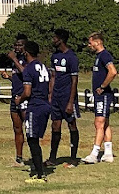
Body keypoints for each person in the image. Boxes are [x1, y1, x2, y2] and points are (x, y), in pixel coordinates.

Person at [12, 40, 51, 184]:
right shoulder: (43, 66)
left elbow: (27, 92)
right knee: (35, 139)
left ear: (26, 52)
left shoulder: (29, 69)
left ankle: (40, 175)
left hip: (35, 106)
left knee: (32, 140)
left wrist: (19, 100)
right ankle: (38, 169)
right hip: (46, 105)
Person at [82, 32, 118, 164]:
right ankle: (108, 153)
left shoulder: (104, 55)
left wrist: (102, 86)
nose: (89, 45)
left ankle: (94, 153)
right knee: (105, 123)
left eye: (90, 42)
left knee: (99, 123)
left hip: (103, 96)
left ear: (97, 42)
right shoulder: (98, 56)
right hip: (99, 96)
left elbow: (113, 71)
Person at [46, 29, 80, 168]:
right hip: (56, 97)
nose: (53, 40)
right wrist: (50, 94)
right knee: (55, 125)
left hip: (67, 97)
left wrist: (71, 102)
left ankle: (73, 158)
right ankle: (52, 158)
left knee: (71, 124)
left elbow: (74, 80)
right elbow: (53, 76)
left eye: (55, 37)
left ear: (61, 39)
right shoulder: (54, 56)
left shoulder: (71, 57)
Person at [0, 35, 27, 167]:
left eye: (20, 45)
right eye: (15, 45)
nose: (17, 47)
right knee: (17, 128)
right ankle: (19, 157)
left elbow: (26, 74)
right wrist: (9, 77)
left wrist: (14, 59)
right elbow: (19, 77)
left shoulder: (27, 59)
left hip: (25, 97)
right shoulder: (14, 61)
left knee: (29, 128)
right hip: (14, 96)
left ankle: (35, 157)